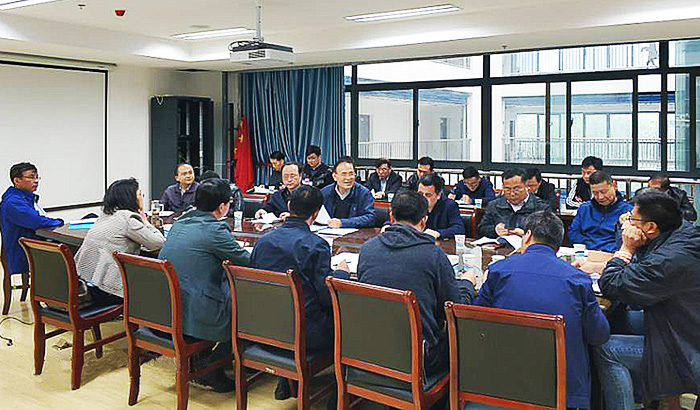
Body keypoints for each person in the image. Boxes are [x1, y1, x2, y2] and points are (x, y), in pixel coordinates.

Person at [474, 210, 610, 409]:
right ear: (559, 244)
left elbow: (476, 323)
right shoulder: (578, 279)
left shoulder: (498, 271)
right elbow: (599, 335)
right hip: (563, 390)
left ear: (527, 235)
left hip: (503, 382)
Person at [593, 189, 700, 409]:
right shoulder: (682, 233)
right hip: (685, 323)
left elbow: (612, 284)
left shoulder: (669, 260)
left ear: (651, 227)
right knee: (627, 318)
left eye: (633, 219)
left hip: (686, 347)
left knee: (606, 348)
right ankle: (646, 395)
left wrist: (626, 248)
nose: (628, 224)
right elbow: (645, 267)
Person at [357, 190, 475, 378]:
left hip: (369, 348)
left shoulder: (368, 249)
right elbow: (454, 308)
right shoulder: (433, 255)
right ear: (424, 221)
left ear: (391, 217)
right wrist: (467, 283)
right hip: (419, 358)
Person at [251, 185, 350, 400]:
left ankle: (288, 382)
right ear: (316, 213)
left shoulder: (263, 242)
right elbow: (327, 297)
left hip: (264, 327)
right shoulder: (315, 245)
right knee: (350, 320)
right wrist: (341, 274)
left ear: (289, 206)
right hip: (306, 333)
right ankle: (341, 394)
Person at [159, 178, 251, 392]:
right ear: (223, 207)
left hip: (168, 308)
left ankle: (203, 359)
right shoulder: (214, 231)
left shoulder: (180, 223)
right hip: (197, 312)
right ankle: (212, 365)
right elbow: (247, 262)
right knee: (249, 308)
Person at [75, 178, 165, 305]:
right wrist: (145, 221)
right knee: (156, 283)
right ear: (130, 198)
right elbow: (158, 243)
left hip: (84, 282)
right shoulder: (128, 219)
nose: (142, 198)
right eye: (140, 195)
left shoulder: (106, 215)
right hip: (106, 290)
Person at [0, 162, 64, 279]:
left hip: (31, 243)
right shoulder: (14, 202)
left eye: (37, 177)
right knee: (70, 249)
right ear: (17, 180)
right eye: (31, 177)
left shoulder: (22, 196)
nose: (36, 181)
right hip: (25, 250)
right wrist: (59, 222)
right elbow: (37, 221)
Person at [568, 171, 632, 252]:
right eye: (595, 193)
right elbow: (573, 234)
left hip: (612, 253)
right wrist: (591, 246)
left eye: (604, 192)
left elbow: (626, 242)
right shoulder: (584, 208)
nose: (600, 197)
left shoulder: (628, 211)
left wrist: (601, 248)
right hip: (586, 251)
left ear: (614, 186)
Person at [478, 168, 551, 239]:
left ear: (526, 186)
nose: (512, 193)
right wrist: (494, 230)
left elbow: (548, 234)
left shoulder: (541, 208)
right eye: (507, 189)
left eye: (516, 189)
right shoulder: (494, 205)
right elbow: (481, 229)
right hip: (500, 244)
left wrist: (527, 235)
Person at [320, 156, 375, 228]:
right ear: (335, 176)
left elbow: (370, 218)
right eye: (344, 174)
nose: (348, 178)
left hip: (355, 234)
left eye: (351, 174)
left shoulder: (364, 193)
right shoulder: (324, 193)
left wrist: (342, 223)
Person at [632, 173, 697, 222]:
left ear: (665, 190)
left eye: (655, 189)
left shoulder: (679, 195)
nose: (651, 190)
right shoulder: (642, 193)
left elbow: (692, 215)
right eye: (649, 187)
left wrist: (670, 210)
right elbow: (630, 205)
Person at [418, 173, 465, 239]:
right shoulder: (414, 204)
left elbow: (459, 229)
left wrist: (439, 233)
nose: (423, 198)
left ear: (438, 195)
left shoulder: (449, 205)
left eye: (428, 195)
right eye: (420, 194)